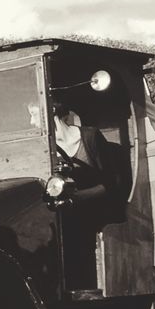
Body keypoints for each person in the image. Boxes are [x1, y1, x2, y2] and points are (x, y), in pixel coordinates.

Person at [50, 103, 126, 289]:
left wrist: (80, 197)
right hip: (65, 215)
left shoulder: (90, 137)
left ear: (51, 114)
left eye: (34, 115)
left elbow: (112, 185)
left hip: (97, 212)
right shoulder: (48, 148)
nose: (31, 121)